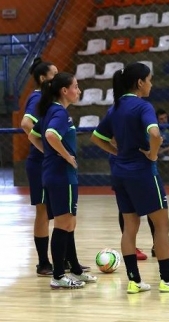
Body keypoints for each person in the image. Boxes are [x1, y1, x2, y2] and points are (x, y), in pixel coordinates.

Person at [90, 62, 169, 293]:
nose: (151, 84)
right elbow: (155, 134)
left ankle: (134, 282)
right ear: (140, 83)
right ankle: (167, 280)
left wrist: (116, 151)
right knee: (162, 225)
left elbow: (96, 137)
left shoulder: (114, 108)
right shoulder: (142, 106)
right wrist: (153, 154)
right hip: (143, 172)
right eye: (149, 79)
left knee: (130, 226)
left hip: (120, 172)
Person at [27, 72, 97, 289]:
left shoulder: (50, 110)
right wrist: (66, 156)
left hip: (54, 173)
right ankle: (58, 275)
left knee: (69, 223)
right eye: (76, 87)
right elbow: (49, 135)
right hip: (61, 175)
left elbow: (33, 135)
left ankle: (75, 269)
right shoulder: (60, 113)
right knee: (63, 224)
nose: (79, 90)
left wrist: (49, 153)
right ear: (64, 91)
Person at [20, 58, 58, 276]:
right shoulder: (37, 98)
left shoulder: (50, 100)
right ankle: (43, 262)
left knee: (62, 212)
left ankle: (66, 259)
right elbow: (26, 124)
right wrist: (44, 147)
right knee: (43, 211)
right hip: (40, 164)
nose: (58, 75)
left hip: (51, 164)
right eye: (54, 73)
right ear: (43, 78)